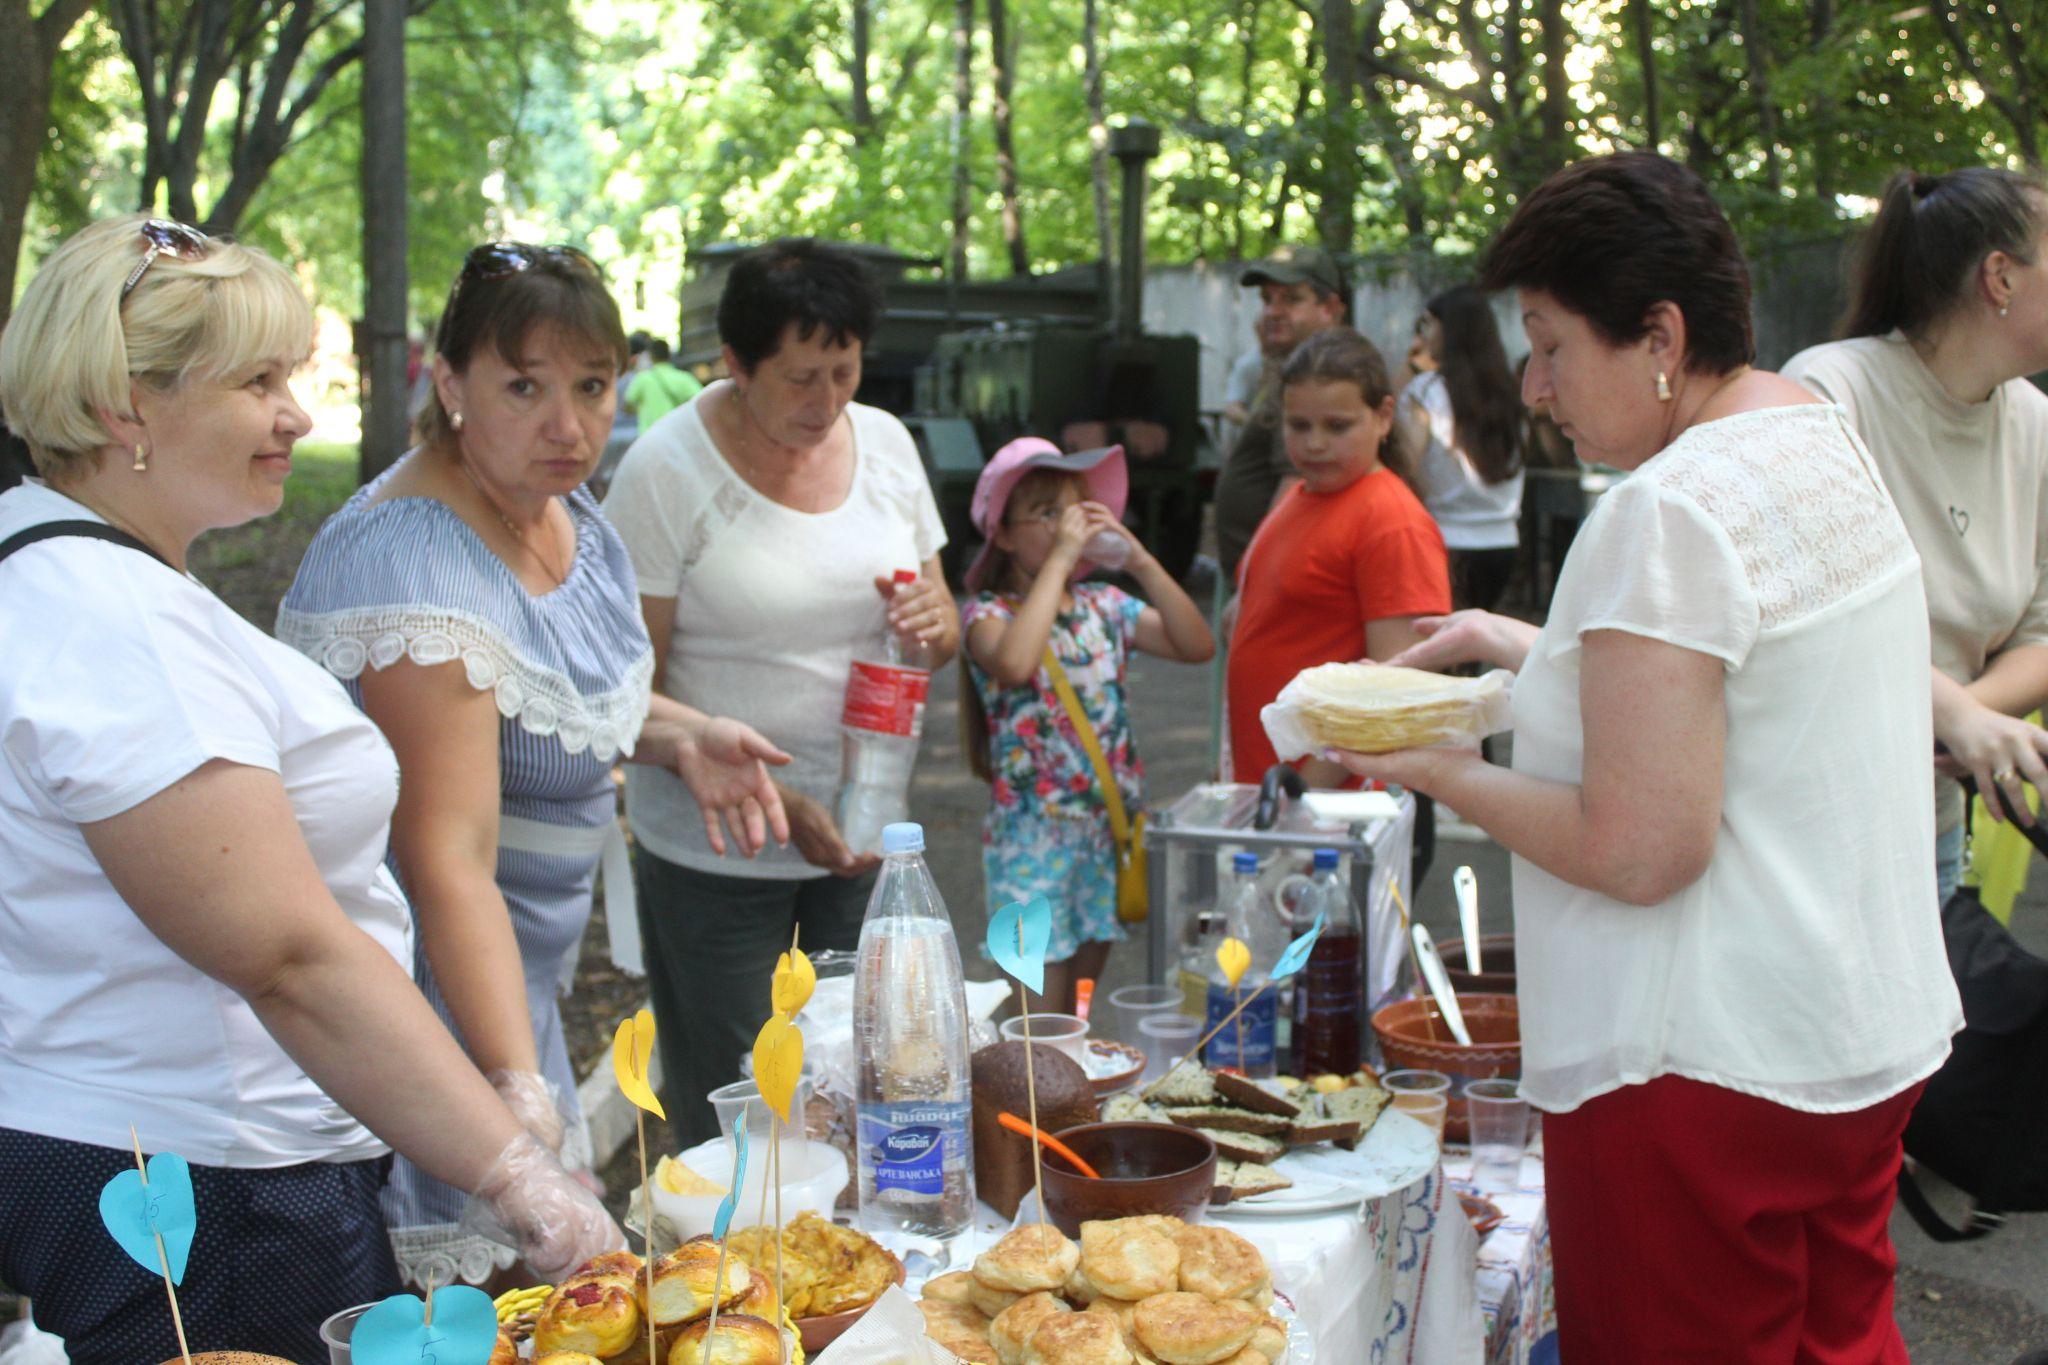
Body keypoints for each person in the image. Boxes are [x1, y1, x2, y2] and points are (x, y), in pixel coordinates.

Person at [1330, 154, 1962, 1361]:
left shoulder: (1662, 509)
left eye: (1552, 345)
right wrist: (1509, 644)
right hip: (1850, 1035)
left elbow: (1639, 848)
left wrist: (1430, 763)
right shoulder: (1809, 432)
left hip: (1699, 1070)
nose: (1534, 383)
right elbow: (1751, 681)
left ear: (1659, 336)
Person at [0, 216, 620, 1365]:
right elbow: (289, 956)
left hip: (201, 1158)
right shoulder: (115, 622)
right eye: (258, 382)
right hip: (208, 1182)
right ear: (123, 405)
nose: (298, 414)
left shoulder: (73, 571)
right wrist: (515, 1171)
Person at [277, 242, 789, 1287]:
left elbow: (528, 699)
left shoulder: (554, 502)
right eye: (525, 386)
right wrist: (513, 1102)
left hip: (518, 989)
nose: (569, 425)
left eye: (592, 387)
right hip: (432, 1005)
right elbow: (445, 855)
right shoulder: (417, 566)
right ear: (450, 381)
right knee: (477, 1299)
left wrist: (678, 733)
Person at [603, 238, 958, 1145]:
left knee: (866, 1081)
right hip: (722, 849)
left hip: (864, 831)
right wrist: (777, 795)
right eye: (801, 378)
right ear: (732, 365)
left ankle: (854, 1276)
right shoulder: (666, 471)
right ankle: (736, 1279)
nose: (827, 401)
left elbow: (943, 625)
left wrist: (935, 622)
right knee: (743, 1109)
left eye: (844, 372)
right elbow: (618, 688)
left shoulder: (884, 444)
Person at [1781, 167, 2048, 906]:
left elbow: (2044, 629)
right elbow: (1815, 611)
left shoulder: (2036, 425)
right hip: (1809, 820)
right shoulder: (1829, 394)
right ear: (2000, 277)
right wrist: (1957, 718)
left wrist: (1960, 726)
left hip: (1926, 818)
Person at [959, 439, 1214, 1012]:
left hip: (1107, 830)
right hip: (1031, 839)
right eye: (1047, 513)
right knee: (1036, 1011)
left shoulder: (1103, 605)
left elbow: (1196, 645)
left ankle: (1066, 1095)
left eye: (1076, 510)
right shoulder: (988, 616)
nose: (1067, 526)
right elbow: (1018, 663)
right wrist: (1060, 557)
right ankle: (1019, 1100)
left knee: (1077, 1005)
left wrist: (1140, 559)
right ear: (1001, 533)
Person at [1225, 327, 1450, 785]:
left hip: (1325, 808)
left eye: (1337, 426)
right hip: (1267, 785)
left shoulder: (1391, 520)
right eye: (1299, 425)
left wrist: (1303, 796)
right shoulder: (1303, 493)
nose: (1314, 444)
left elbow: (1394, 686)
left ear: (1384, 417)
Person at [1211, 246, 1349, 583]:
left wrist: (1257, 580)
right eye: (1267, 300)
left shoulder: (1320, 377)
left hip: (1275, 579)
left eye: (1290, 299)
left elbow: (1297, 487)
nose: (1272, 312)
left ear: (1330, 308)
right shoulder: (1291, 369)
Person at [1398, 285, 1524, 611]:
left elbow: (1405, 465)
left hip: (1445, 538)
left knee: (1439, 650)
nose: (1424, 335)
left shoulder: (1425, 391)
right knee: (1471, 647)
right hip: (1503, 542)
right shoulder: (1508, 392)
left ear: (1449, 328)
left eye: (1428, 323)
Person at [624, 338, 703, 430]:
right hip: (676, 434)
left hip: (649, 437)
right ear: (669, 356)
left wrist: (644, 408)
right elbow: (701, 400)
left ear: (651, 357)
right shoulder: (684, 378)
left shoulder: (642, 378)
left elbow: (627, 406)